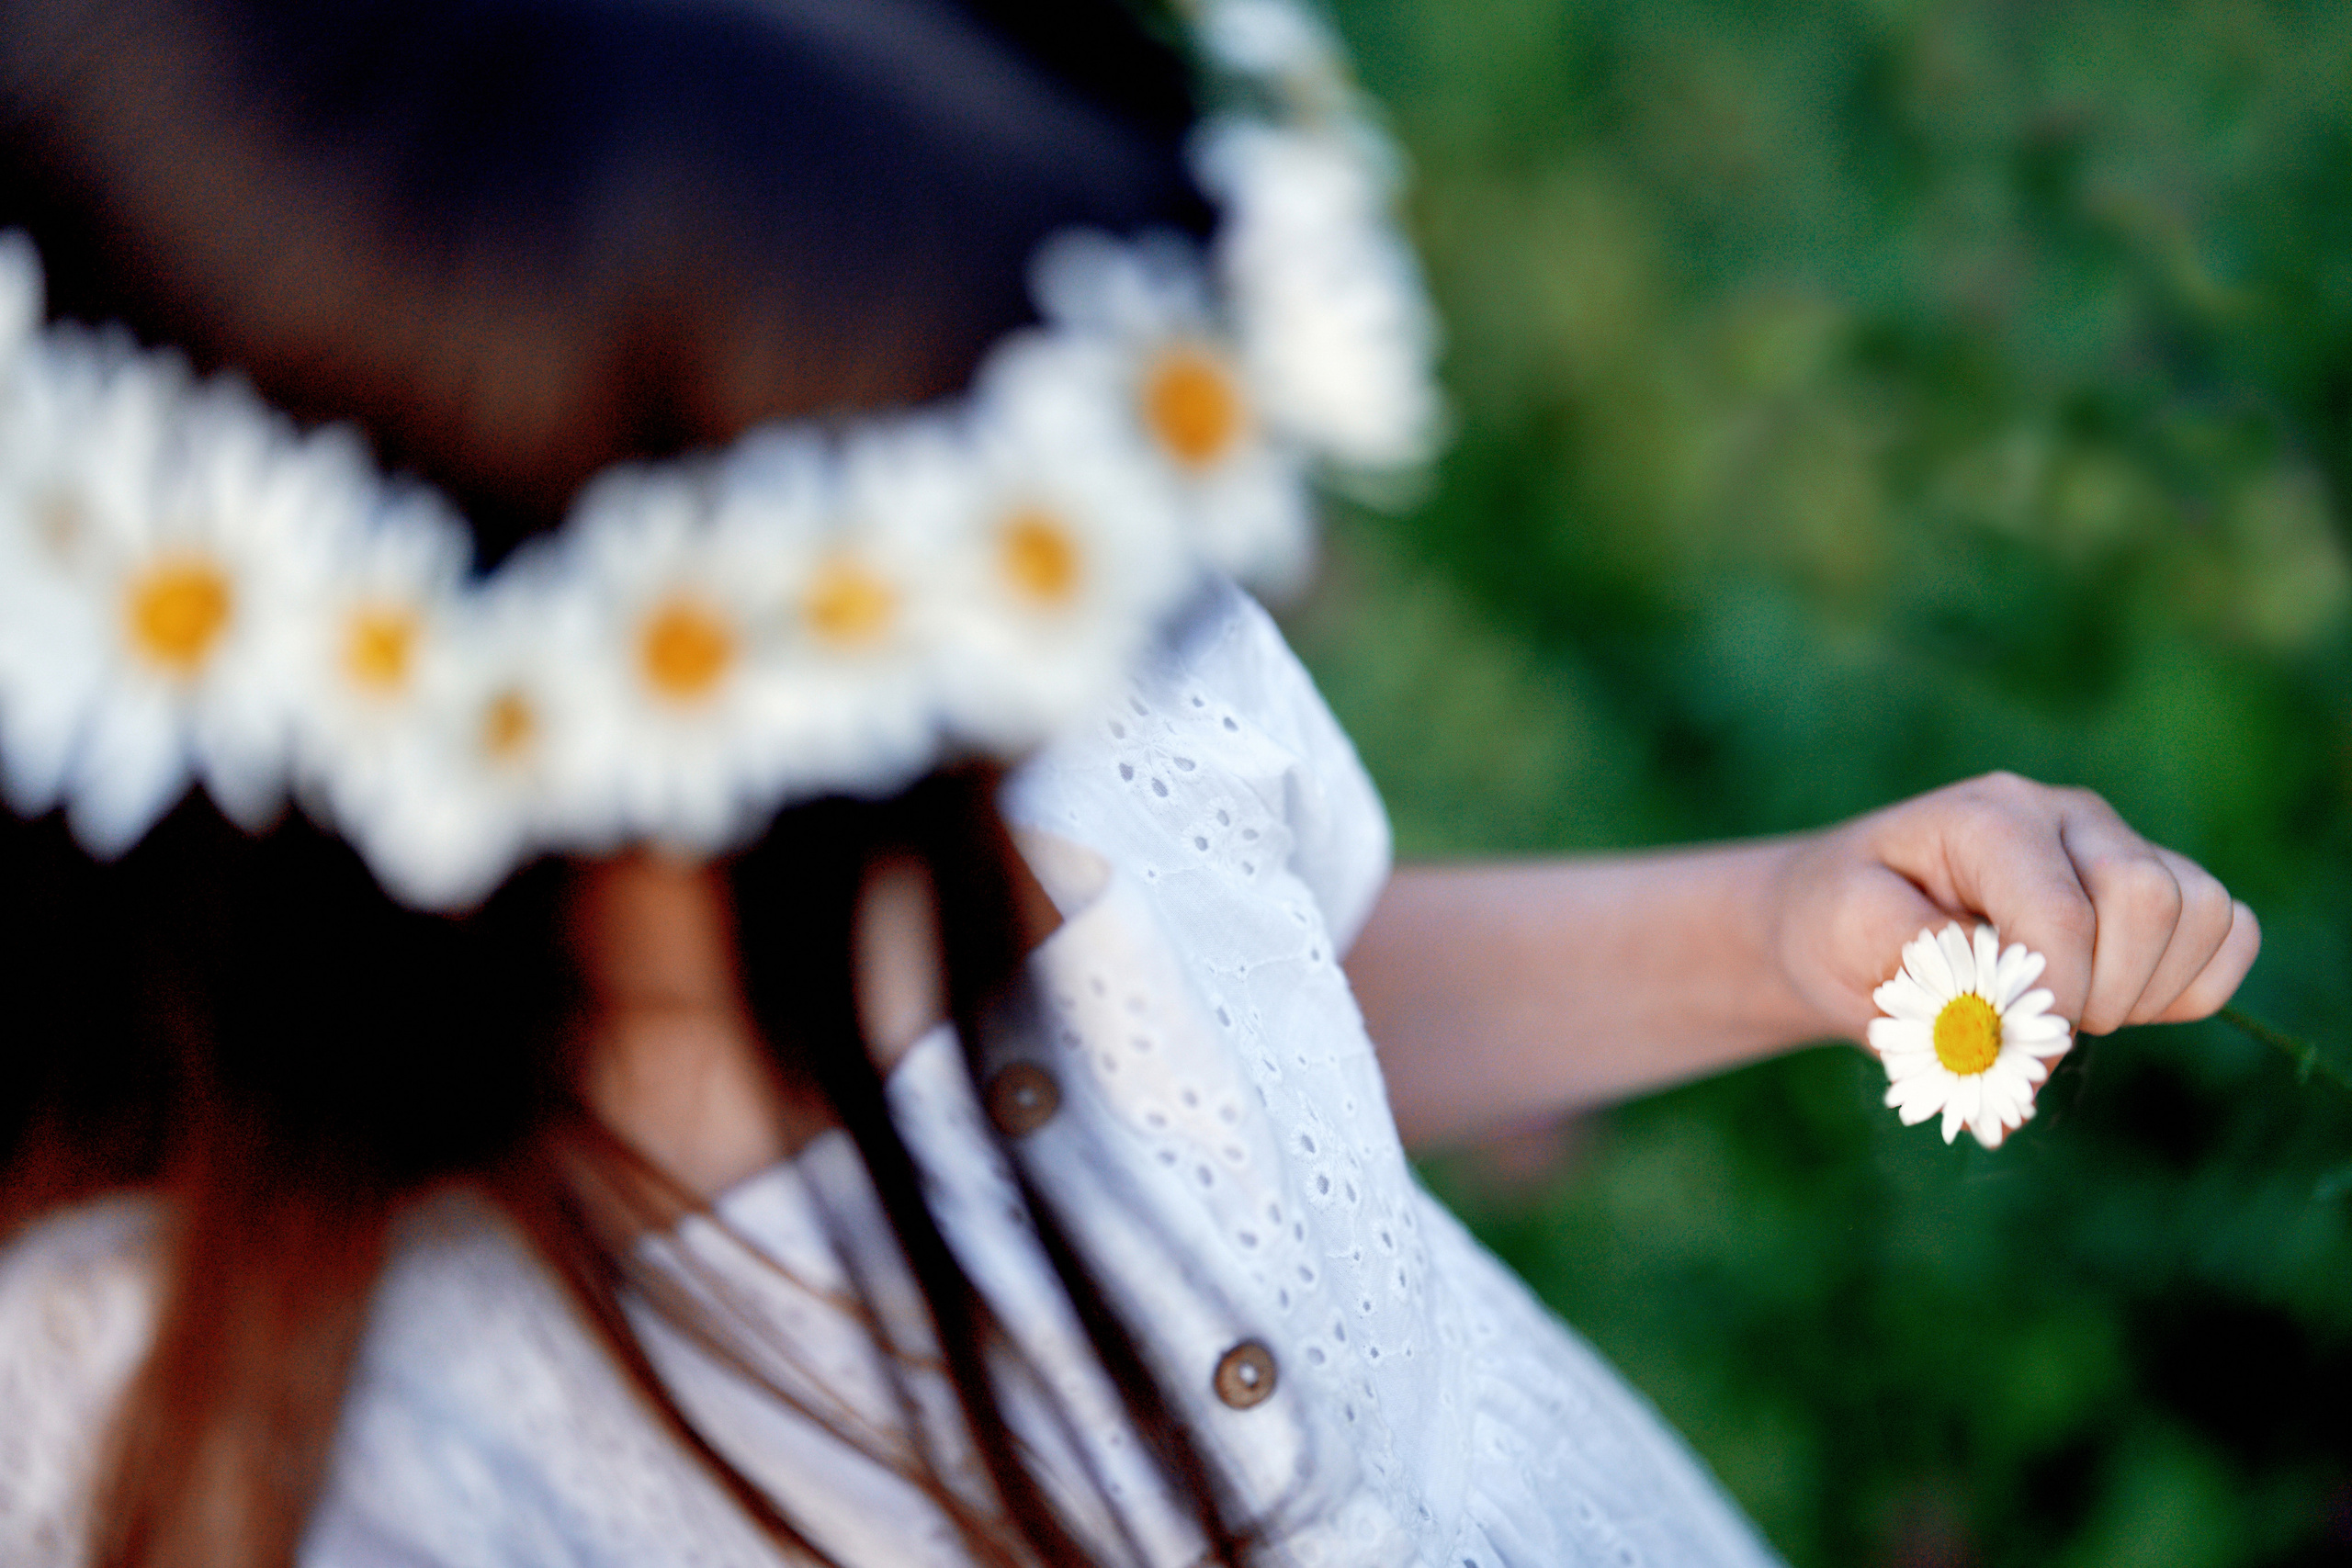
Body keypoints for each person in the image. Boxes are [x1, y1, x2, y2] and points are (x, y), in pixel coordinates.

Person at [0, 0, 2259, 1564]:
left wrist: (1782, 927)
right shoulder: (235, 1453)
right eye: (927, 705)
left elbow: (1259, 973)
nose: (1068, 691)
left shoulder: (1022, 609)